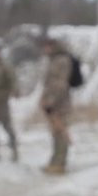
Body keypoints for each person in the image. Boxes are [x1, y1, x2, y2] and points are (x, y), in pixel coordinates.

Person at [39, 37, 73, 175]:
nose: (45, 49)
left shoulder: (61, 61)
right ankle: (54, 161)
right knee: (55, 132)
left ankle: (60, 164)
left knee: (60, 132)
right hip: (52, 102)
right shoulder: (53, 60)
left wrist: (51, 101)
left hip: (59, 104)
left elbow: (60, 84)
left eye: (47, 46)